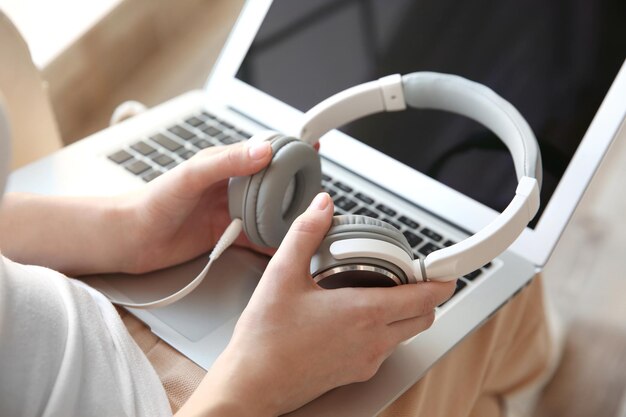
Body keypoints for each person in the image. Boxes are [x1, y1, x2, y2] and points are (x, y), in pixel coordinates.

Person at [0, 128, 458, 416]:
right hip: (196, 400)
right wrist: (258, 383)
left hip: (70, 282)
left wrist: (128, 230)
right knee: (474, 334)